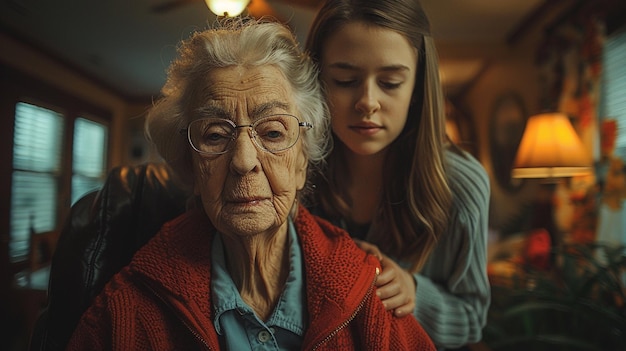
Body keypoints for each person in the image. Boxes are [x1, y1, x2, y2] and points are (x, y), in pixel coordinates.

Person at [66, 18, 436, 350]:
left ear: (302, 162)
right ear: (191, 168)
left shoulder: (368, 294)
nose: (244, 161)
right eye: (214, 135)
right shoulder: (125, 311)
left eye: (273, 132)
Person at [305, 0, 491, 349]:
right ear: (316, 82)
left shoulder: (462, 187)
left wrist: (415, 293)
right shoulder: (294, 171)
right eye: (345, 80)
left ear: (417, 88)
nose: (368, 101)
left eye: (390, 83)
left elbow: (472, 318)